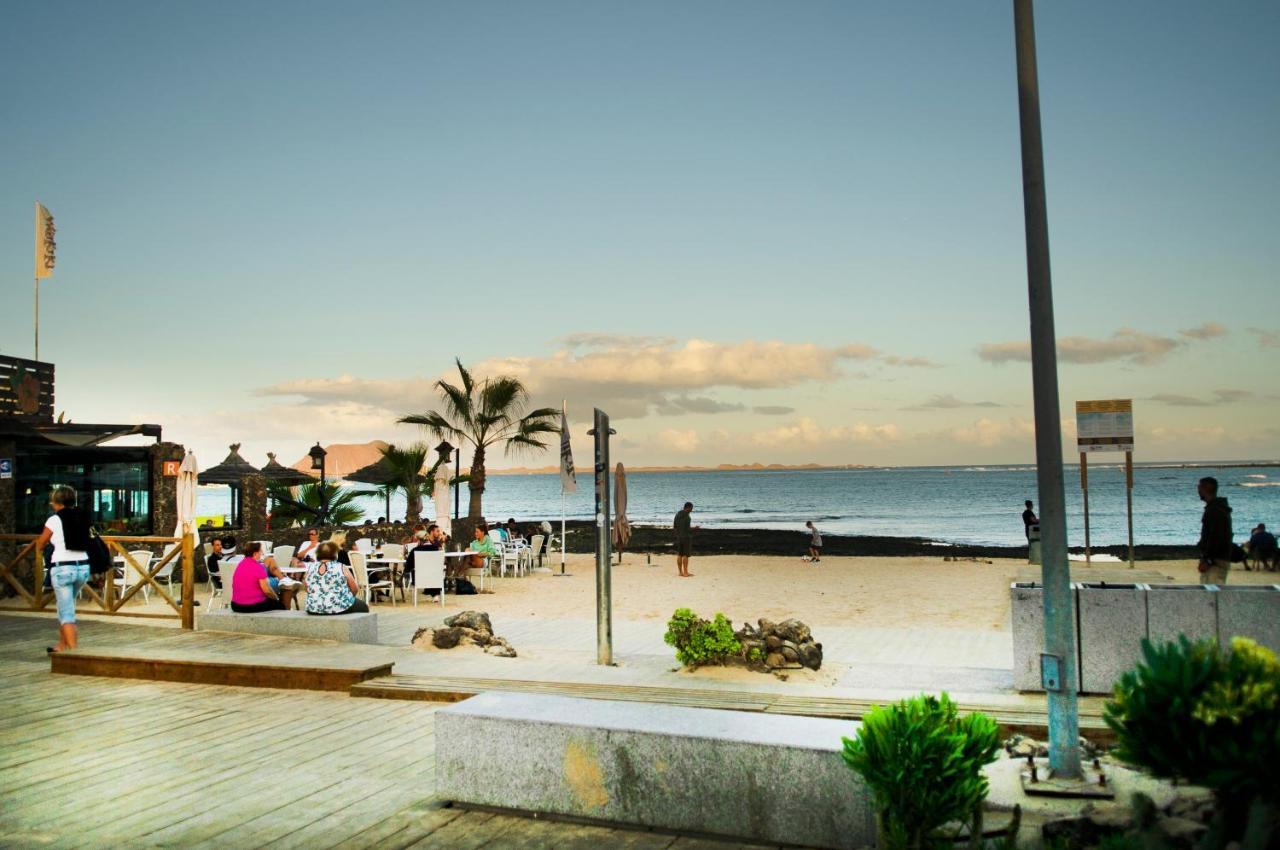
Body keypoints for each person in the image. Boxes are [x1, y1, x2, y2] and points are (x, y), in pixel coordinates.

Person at [33, 485, 92, 653]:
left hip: (63, 568)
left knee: (66, 613)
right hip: (83, 566)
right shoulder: (82, 516)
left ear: (57, 503)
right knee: (66, 606)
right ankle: (62, 645)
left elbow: (41, 542)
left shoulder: (54, 519)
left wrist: (43, 546)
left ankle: (74, 655)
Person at [305, 542, 369, 616]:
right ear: (335, 553)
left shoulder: (311, 567)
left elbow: (307, 588)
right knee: (364, 607)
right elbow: (354, 589)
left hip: (313, 607)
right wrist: (348, 597)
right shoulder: (341, 567)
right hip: (338, 607)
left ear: (318, 553)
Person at [230, 542, 288, 612]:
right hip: (251, 606)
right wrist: (276, 598)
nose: (262, 553)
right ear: (255, 554)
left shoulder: (240, 564)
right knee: (281, 606)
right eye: (260, 551)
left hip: (236, 605)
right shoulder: (258, 567)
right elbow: (267, 591)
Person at [1196, 477, 1233, 586]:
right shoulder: (1216, 508)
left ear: (1205, 488)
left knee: (1212, 593)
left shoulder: (1215, 510)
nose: (1198, 490)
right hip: (1215, 560)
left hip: (1216, 562)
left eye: (1199, 487)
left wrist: (1208, 560)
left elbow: (1217, 537)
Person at [673, 502, 695, 577]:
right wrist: (695, 528)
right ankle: (685, 572)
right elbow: (688, 529)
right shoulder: (687, 517)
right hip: (686, 537)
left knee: (679, 554)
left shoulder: (677, 515)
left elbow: (675, 527)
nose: (692, 510)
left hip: (679, 537)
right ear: (688, 507)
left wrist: (677, 535)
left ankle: (680, 572)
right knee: (685, 555)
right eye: (691, 508)